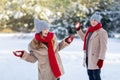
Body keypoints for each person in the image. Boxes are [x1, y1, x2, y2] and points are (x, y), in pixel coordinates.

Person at [75, 12, 108, 80]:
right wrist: (78, 29)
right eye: (92, 20)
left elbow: (103, 47)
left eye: (95, 20)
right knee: (90, 76)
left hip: (96, 59)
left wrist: (101, 59)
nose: (93, 21)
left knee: (96, 76)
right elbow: (84, 39)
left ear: (98, 22)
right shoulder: (89, 30)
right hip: (88, 57)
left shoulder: (102, 32)